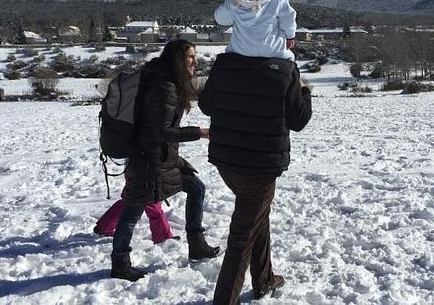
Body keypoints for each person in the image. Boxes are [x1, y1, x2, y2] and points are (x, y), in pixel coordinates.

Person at [198, 56, 312, 301]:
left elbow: (206, 105)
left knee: (257, 216)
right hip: (259, 167)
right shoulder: (285, 68)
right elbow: (299, 119)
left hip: (226, 159)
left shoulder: (225, 62)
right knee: (242, 236)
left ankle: (264, 279)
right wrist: (304, 90)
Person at [110, 39, 220, 282]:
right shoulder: (165, 87)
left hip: (160, 158)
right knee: (132, 211)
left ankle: (197, 243)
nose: (195, 61)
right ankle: (120, 263)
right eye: (190, 57)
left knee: (196, 187)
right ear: (178, 59)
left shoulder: (161, 78)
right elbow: (162, 132)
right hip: (149, 160)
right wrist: (199, 132)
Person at [93, 173, 176, 244]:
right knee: (150, 201)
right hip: (144, 168)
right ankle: (162, 235)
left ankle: (104, 226)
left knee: (130, 200)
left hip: (137, 167)